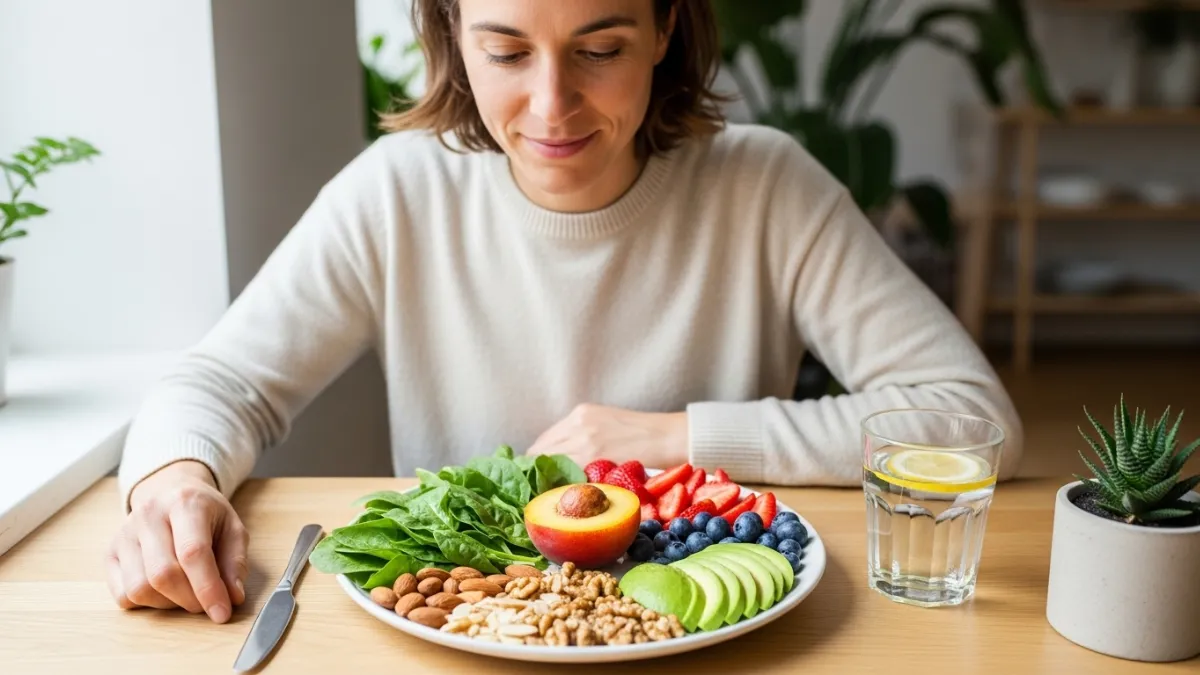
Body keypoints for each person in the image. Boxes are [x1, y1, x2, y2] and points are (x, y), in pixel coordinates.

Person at [106, 0, 1023, 625]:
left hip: (707, 642)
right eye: (505, 51)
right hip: (468, 635)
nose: (551, 106)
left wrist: (675, 439)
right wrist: (175, 483)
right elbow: (222, 380)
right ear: (453, 32)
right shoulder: (400, 192)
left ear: (665, 27)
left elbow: (970, 415)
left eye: (600, 49)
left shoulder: (766, 186)